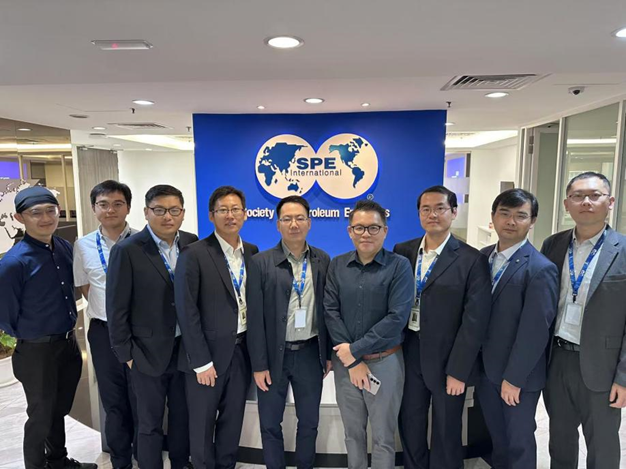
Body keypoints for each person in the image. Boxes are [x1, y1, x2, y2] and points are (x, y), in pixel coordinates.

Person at [0, 186, 97, 469]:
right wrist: (32, 334)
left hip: (67, 344)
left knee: (59, 409)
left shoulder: (63, 247)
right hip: (36, 352)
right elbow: (5, 314)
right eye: (36, 213)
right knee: (40, 416)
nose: (45, 218)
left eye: (50, 211)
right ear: (20, 218)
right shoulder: (14, 262)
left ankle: (58, 460)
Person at [395, 185, 491, 469]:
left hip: (449, 357)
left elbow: (475, 321)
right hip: (409, 351)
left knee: (447, 427)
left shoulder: (472, 259)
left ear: (454, 212)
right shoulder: (403, 251)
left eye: (440, 208)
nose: (432, 214)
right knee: (410, 420)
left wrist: (458, 371)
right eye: (426, 209)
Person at [106, 185, 197, 469]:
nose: (167, 216)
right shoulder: (127, 250)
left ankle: (181, 463)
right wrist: (127, 355)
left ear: (183, 213)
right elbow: (116, 308)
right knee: (149, 423)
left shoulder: (191, 243)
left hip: (185, 350)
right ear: (146, 212)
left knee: (183, 417)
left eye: (174, 210)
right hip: (145, 353)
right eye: (159, 210)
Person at [541, 171, 626, 469]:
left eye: (594, 195)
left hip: (603, 366)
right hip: (557, 360)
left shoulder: (623, 249)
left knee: (602, 446)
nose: (586, 202)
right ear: (567, 204)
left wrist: (624, 377)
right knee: (560, 441)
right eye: (578, 196)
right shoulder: (552, 245)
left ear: (610, 202)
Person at [324, 200, 413, 469]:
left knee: (384, 437)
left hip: (385, 362)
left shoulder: (399, 266)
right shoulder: (337, 265)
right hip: (346, 365)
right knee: (353, 434)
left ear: (385, 231)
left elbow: (397, 318)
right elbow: (330, 311)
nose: (366, 234)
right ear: (350, 231)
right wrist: (352, 360)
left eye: (373, 228)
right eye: (359, 227)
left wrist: (355, 351)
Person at [174, 186, 258, 469]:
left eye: (235, 210)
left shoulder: (252, 252)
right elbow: (187, 310)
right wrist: (200, 361)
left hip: (241, 353)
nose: (230, 215)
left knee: (232, 423)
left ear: (245, 214)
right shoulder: (194, 253)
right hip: (206, 358)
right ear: (211, 215)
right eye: (223, 210)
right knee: (201, 426)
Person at [247, 195, 331, 469]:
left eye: (300, 218)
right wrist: (259, 364)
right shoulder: (260, 262)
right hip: (274, 356)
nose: (294, 224)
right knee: (270, 423)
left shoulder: (322, 259)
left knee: (309, 422)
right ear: (278, 224)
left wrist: (328, 354)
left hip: (310, 353)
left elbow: (329, 310)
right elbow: (254, 319)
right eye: (287, 219)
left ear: (309, 222)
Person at [477, 189, 558, 469]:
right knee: (498, 439)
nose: (511, 221)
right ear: (493, 217)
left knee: (519, 442)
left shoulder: (540, 268)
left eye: (520, 215)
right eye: (505, 213)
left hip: (517, 376)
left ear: (532, 221)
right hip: (486, 370)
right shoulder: (482, 257)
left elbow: (535, 331)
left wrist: (514, 378)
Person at [73, 180, 139, 469]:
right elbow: (85, 286)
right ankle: (120, 460)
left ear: (128, 207)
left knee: (142, 398)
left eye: (117, 204)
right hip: (104, 332)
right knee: (113, 401)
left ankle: (145, 454)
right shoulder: (83, 245)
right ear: (93, 208)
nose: (110, 210)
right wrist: (110, 311)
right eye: (103, 204)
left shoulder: (143, 240)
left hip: (140, 332)